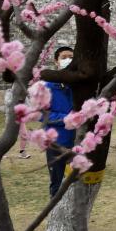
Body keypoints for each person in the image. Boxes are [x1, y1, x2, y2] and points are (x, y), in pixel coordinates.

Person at [43, 46, 75, 195]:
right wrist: (66, 119)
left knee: (76, 182)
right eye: (64, 57)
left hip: (77, 141)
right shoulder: (48, 87)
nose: (68, 60)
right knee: (57, 183)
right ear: (56, 61)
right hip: (56, 142)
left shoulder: (77, 85)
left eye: (71, 57)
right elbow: (44, 115)